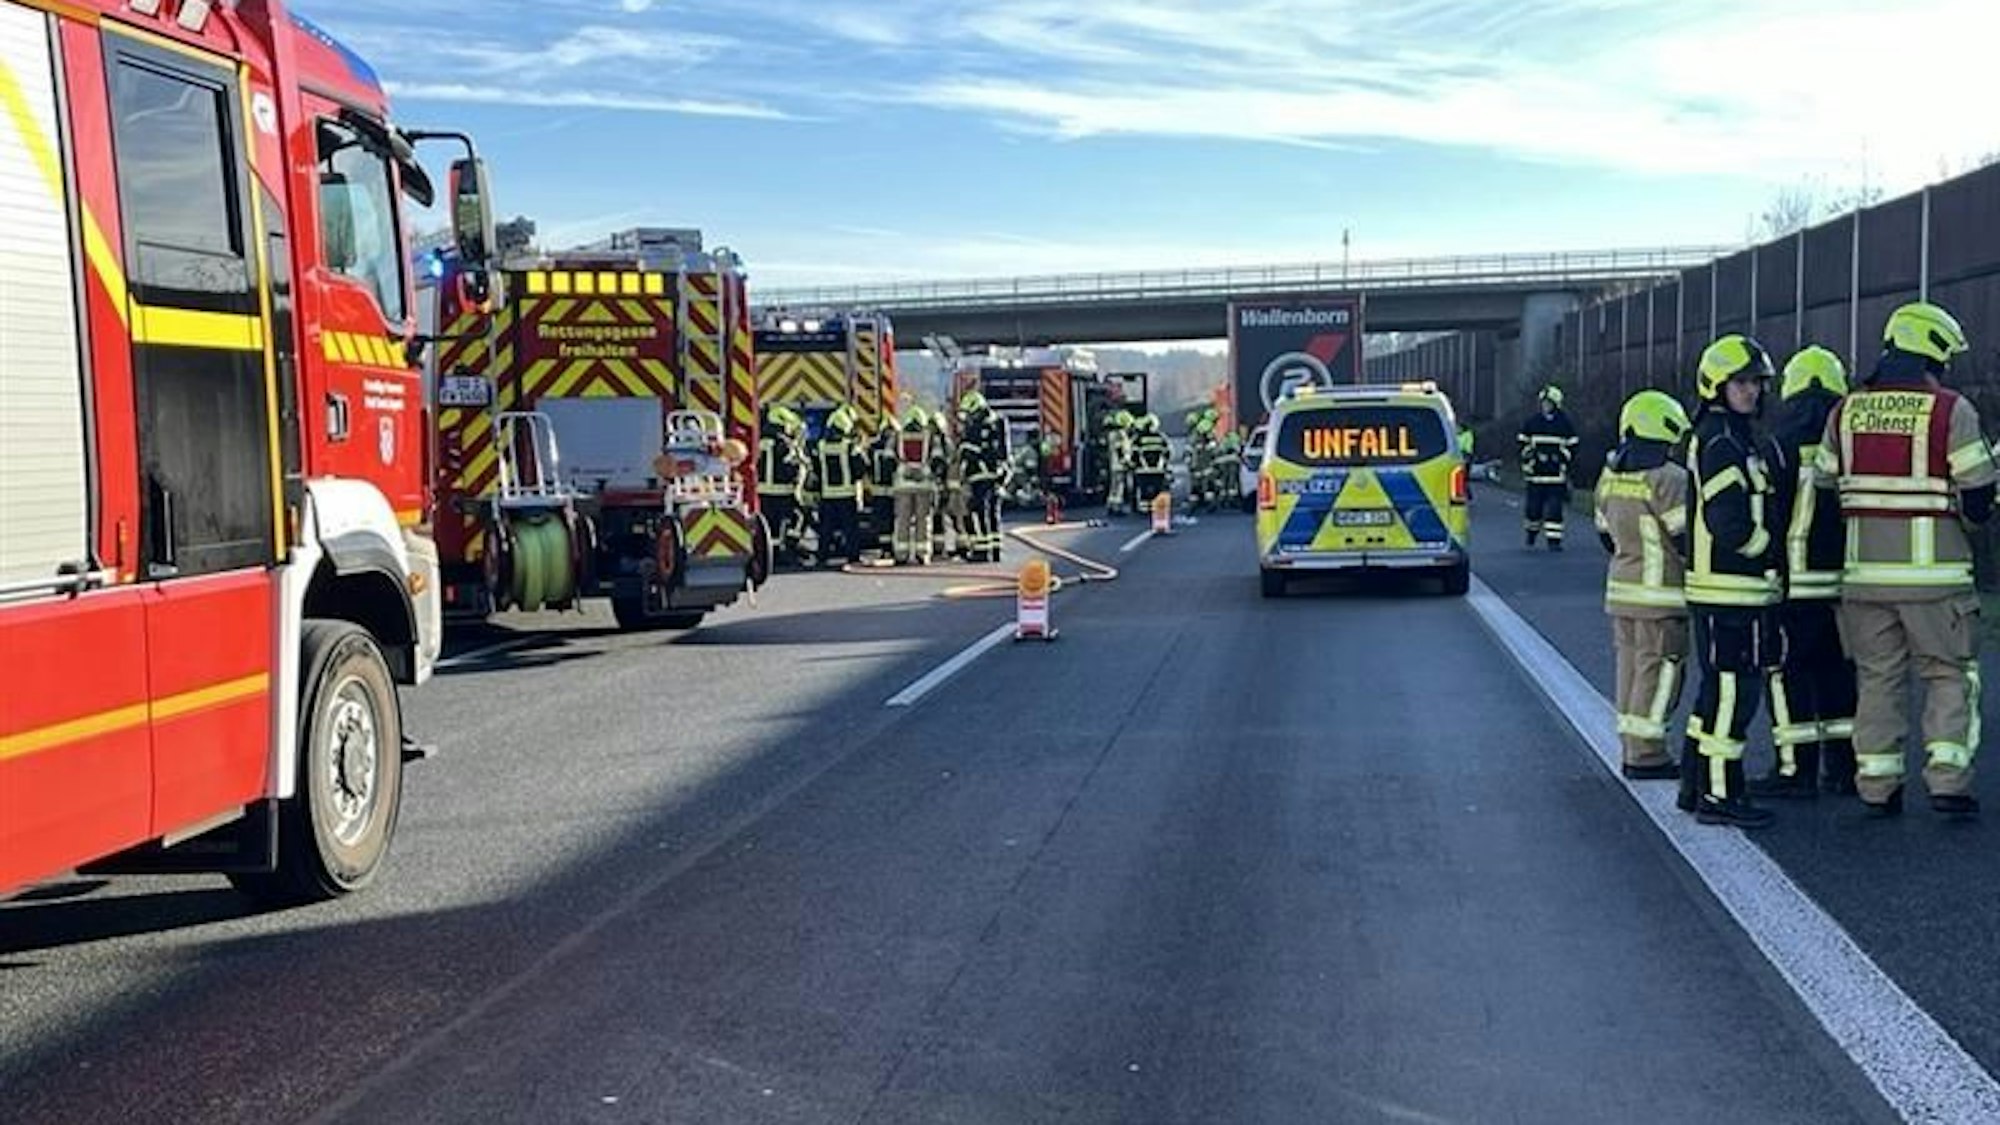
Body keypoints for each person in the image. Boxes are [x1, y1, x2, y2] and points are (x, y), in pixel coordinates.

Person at [1815, 302, 1998, 818]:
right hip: (1936, 582)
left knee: (1878, 680)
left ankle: (1877, 785)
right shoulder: (1950, 411)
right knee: (1949, 676)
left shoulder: (1845, 410)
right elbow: (1980, 495)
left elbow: (1825, 484)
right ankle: (1948, 784)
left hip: (1863, 582)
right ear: (1934, 353)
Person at [1679, 335, 1785, 828]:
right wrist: (1768, 550)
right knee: (1733, 694)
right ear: (1717, 386)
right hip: (1729, 588)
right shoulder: (1723, 440)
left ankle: (1696, 784)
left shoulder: (1727, 433)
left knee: (1716, 693)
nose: (1752, 392)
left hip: (1725, 588)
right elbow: (1728, 522)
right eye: (1741, 383)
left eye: (1756, 383)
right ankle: (1720, 795)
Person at [1749, 346, 1858, 799]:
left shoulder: (1776, 444)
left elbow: (1764, 513)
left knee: (1785, 672)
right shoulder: (1849, 444)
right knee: (1837, 674)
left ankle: (1795, 769)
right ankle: (1843, 769)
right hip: (1842, 584)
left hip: (1790, 583)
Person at [1594, 390, 1693, 780]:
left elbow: (1605, 535)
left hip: (1621, 591)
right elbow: (1687, 539)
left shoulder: (1611, 478)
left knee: (1631, 670)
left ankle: (1632, 747)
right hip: (1663, 597)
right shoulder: (1670, 480)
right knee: (1661, 671)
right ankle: (1647, 755)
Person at [1517, 385, 1578, 550]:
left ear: (1556, 404)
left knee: (1555, 508)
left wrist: (1560, 458)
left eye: (1548, 403)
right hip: (1535, 475)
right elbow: (1522, 444)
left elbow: (1573, 447)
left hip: (1556, 476)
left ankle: (1554, 541)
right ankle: (1531, 533)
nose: (1545, 406)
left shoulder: (1565, 424)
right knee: (1533, 509)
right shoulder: (1532, 422)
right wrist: (1531, 458)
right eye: (1543, 403)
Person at [815, 405, 868, 566]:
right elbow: (861, 467)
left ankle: (822, 556)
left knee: (826, 529)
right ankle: (853, 556)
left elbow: (816, 469)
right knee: (850, 529)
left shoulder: (821, 446)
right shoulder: (850, 446)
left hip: (827, 495)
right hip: (847, 495)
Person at [755, 405, 808, 566]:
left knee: (770, 526)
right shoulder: (785, 444)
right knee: (798, 518)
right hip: (782, 492)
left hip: (762, 492)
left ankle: (771, 555)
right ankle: (788, 550)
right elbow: (791, 468)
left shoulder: (759, 441)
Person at [958, 391, 1006, 563]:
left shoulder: (976, 426)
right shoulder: (998, 422)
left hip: (979, 475)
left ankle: (982, 551)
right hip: (997, 475)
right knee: (993, 512)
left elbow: (968, 451)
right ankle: (995, 550)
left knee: (978, 511)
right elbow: (1004, 453)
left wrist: (963, 450)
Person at [891, 405, 937, 565]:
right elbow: (938, 459)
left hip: (903, 485)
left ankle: (901, 554)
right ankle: (922, 553)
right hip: (923, 485)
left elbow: (889, 458)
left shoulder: (898, 436)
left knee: (902, 520)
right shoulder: (929, 437)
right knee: (922, 520)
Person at [1132, 412, 1171, 508]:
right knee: (1158, 489)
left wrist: (1134, 465)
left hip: (1142, 470)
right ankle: (1156, 507)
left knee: (1143, 490)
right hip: (1158, 470)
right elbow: (1168, 452)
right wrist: (1164, 464)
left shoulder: (1138, 438)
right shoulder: (1161, 437)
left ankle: (1144, 507)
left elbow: (1134, 453)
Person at [1105, 410, 1135, 517]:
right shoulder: (1120, 434)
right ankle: (1116, 508)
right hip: (1119, 465)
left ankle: (1111, 506)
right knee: (1118, 487)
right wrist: (1126, 462)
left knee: (1114, 487)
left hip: (1115, 464)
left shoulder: (1113, 434)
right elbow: (1120, 450)